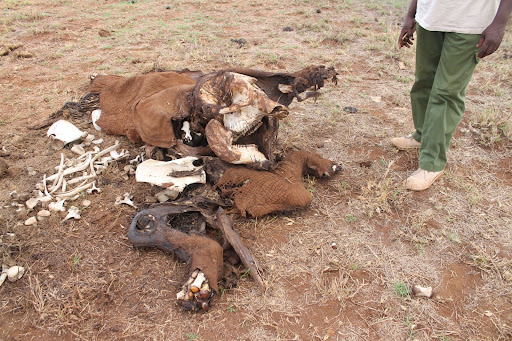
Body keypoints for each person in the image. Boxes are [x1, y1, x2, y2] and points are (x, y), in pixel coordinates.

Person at [392, 0, 512, 191]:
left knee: (446, 93)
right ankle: (422, 136)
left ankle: (432, 163)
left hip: (470, 21)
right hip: (430, 16)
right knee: (423, 83)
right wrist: (411, 14)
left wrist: (500, 22)